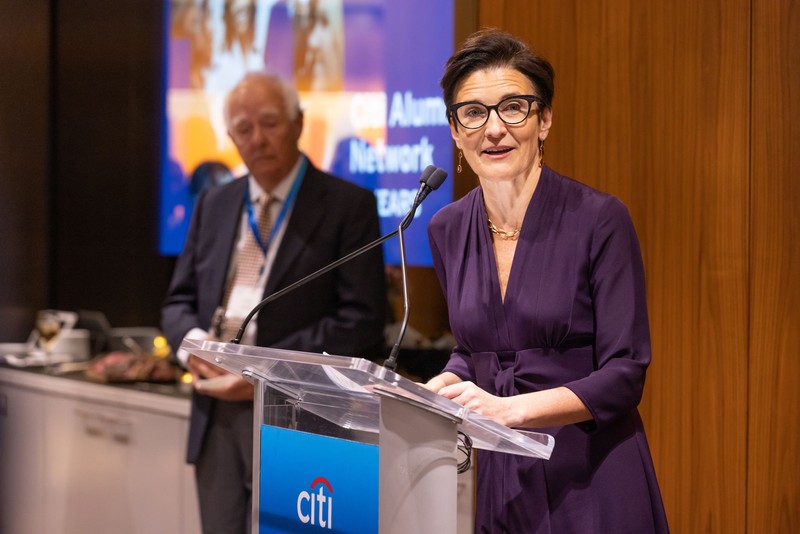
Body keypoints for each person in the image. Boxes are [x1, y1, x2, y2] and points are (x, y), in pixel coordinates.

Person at [425, 29, 669, 533]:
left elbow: (625, 373)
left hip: (592, 474)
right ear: (454, 130)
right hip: (504, 481)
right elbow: (475, 348)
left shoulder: (600, 219)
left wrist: (512, 410)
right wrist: (449, 381)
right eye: (473, 112)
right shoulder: (446, 228)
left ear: (544, 120)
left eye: (514, 107)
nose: (494, 129)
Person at [161, 71, 387, 534]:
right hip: (217, 415)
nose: (257, 139)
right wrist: (199, 349)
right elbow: (178, 301)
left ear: (299, 123)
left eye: (270, 123)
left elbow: (360, 322)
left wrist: (264, 372)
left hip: (301, 415)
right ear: (230, 138)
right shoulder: (214, 204)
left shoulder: (349, 205)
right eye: (244, 129)